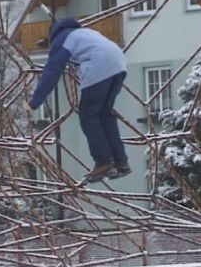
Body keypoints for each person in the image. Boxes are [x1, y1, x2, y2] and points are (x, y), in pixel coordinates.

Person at [23, 18, 131, 183]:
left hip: (99, 67)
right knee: (105, 114)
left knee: (88, 115)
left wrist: (34, 102)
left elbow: (52, 72)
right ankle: (120, 161)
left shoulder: (62, 39)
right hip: (119, 64)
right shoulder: (84, 33)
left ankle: (103, 161)